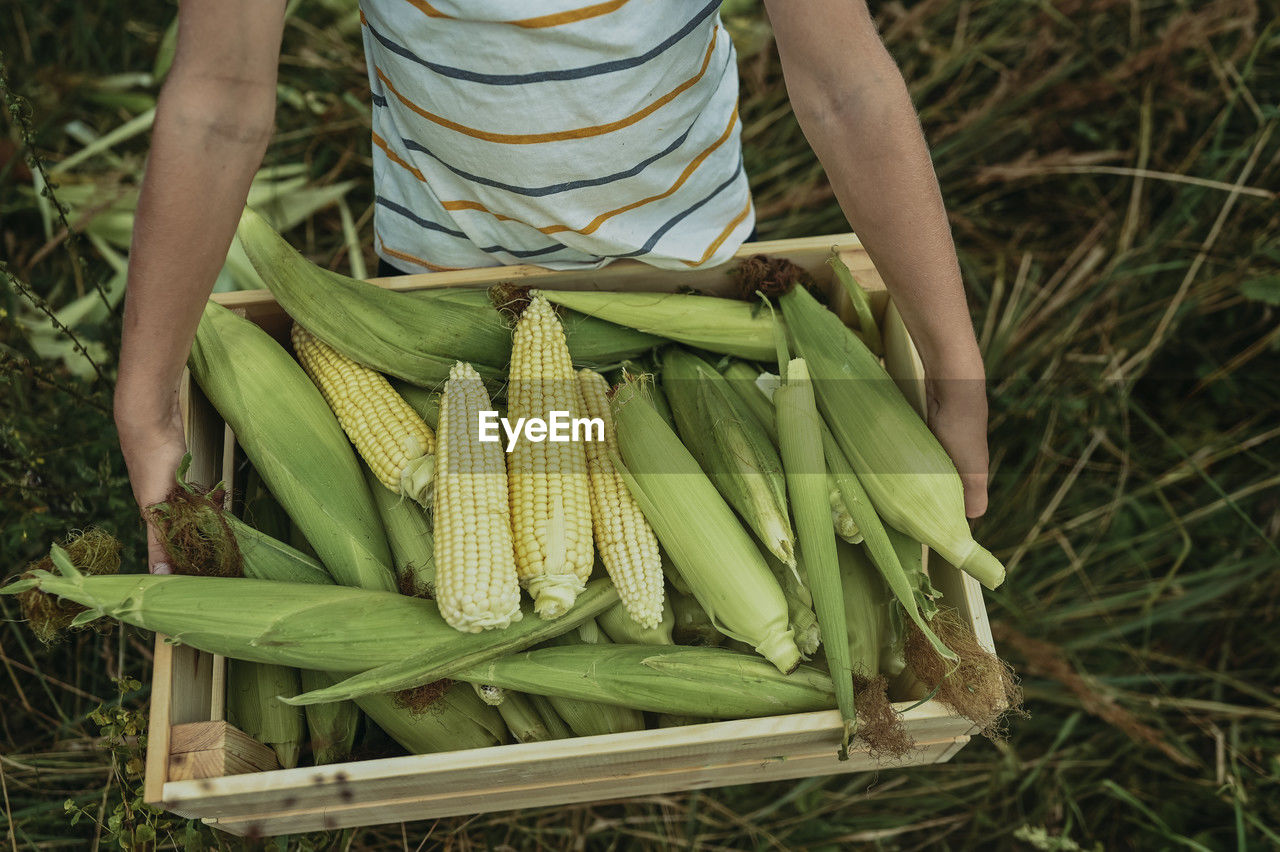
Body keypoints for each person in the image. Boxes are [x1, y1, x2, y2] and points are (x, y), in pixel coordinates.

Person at [115, 0, 990, 574]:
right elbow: (220, 101)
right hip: (452, 302)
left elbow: (846, 87)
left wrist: (952, 359)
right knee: (523, 474)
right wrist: (149, 396)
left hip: (684, 286)